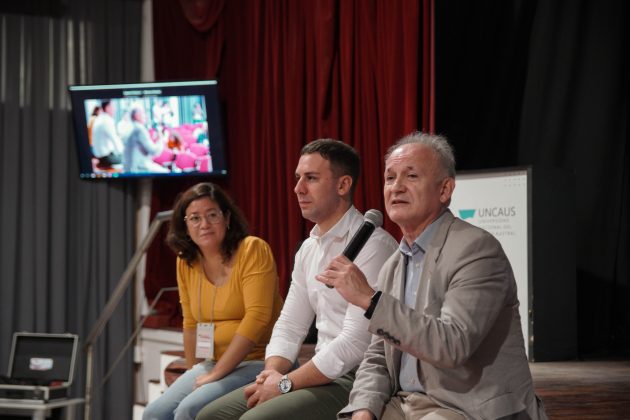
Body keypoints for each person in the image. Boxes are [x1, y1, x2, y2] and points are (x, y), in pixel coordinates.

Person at [316, 132, 547, 420]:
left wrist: (370, 300)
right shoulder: (393, 265)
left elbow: (452, 345)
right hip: (405, 403)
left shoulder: (476, 250)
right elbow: (378, 357)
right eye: (390, 178)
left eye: (411, 176)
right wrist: (364, 408)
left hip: (465, 406)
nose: (396, 187)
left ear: (444, 190)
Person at [196, 139, 398, 420]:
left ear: (343, 185)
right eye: (298, 178)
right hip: (318, 371)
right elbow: (290, 324)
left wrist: (285, 383)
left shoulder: (374, 245)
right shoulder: (308, 248)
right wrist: (272, 373)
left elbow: (355, 343)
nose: (298, 188)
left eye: (311, 178)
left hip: (359, 378)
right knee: (210, 416)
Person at [142, 183, 284, 420]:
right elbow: (190, 324)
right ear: (185, 226)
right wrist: (194, 371)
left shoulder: (252, 249)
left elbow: (257, 318)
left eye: (212, 215)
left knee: (189, 410)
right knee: (153, 414)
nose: (204, 224)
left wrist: (216, 373)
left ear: (226, 218)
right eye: (195, 218)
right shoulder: (185, 261)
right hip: (213, 362)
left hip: (261, 361)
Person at [123, 106, 169, 173]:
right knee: (167, 173)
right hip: (139, 169)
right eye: (143, 113)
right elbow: (154, 151)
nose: (146, 116)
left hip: (128, 168)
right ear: (136, 116)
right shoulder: (140, 129)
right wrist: (161, 138)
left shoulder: (129, 127)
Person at [91, 100, 124, 168]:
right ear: (107, 108)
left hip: (98, 156)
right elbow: (115, 139)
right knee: (128, 159)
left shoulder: (99, 118)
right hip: (106, 158)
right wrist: (123, 152)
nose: (115, 109)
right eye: (113, 107)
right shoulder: (107, 120)